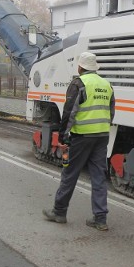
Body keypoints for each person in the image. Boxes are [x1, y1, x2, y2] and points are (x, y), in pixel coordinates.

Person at [43, 52, 116, 231]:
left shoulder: (79, 84)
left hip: (82, 136)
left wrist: (63, 136)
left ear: (80, 67)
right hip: (101, 136)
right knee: (99, 176)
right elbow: (111, 111)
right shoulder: (107, 85)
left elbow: (69, 112)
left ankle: (59, 212)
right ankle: (100, 219)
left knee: (70, 174)